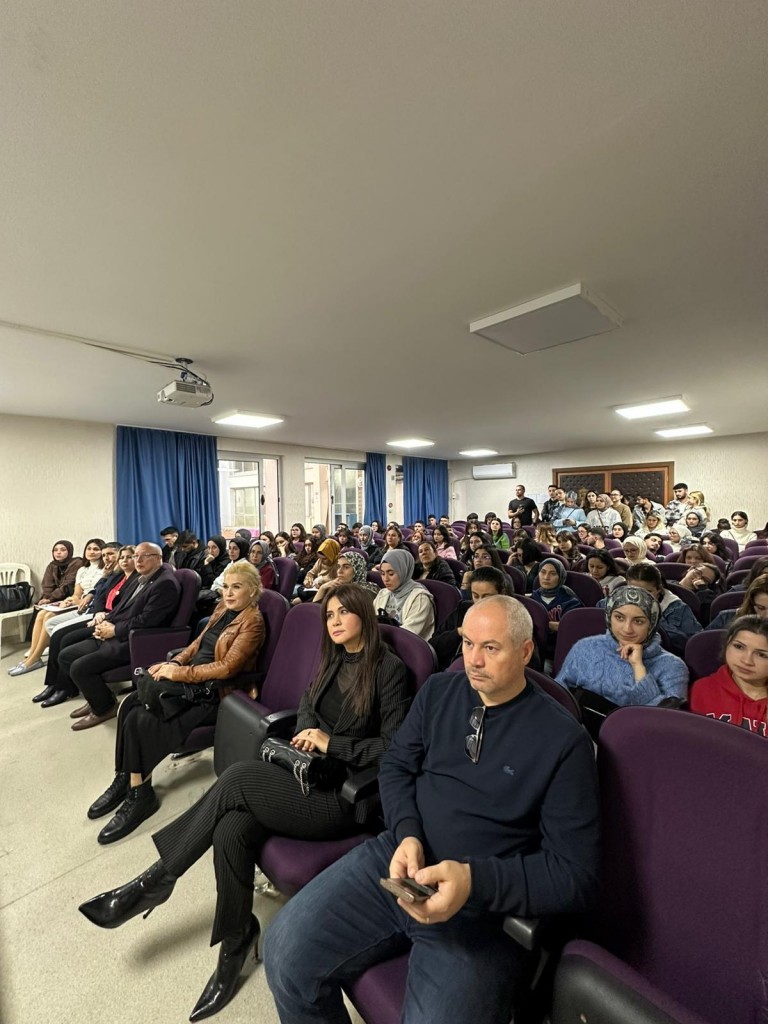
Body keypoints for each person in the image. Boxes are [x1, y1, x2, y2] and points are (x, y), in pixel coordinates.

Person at [78, 584, 412, 1021]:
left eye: (342, 613)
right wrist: (306, 735)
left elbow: (393, 749)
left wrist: (332, 745)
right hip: (304, 771)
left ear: (363, 614)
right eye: (328, 614)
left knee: (235, 779)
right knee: (231, 829)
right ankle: (235, 940)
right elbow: (308, 703)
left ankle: (156, 880)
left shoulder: (389, 670)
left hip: (342, 796)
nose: (333, 621)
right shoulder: (333, 656)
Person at [262, 596, 601, 1024]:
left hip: (480, 909)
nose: (473, 660)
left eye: (490, 647)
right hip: (400, 860)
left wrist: (473, 881)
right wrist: (407, 832)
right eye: (467, 643)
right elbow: (396, 766)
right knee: (284, 955)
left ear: (526, 651)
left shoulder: (564, 741)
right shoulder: (440, 690)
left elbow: (574, 875)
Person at [86, 562, 266, 844]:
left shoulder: (253, 622)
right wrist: (175, 662)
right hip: (190, 680)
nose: (228, 593)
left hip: (213, 694)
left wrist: (178, 673)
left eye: (237, 587)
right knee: (130, 704)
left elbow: (227, 668)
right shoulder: (222, 608)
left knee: (142, 718)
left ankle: (140, 794)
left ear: (253, 591)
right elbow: (197, 644)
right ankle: (126, 777)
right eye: (226, 587)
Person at [46, 543, 182, 728]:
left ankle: (105, 708)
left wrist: (114, 630)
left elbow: (148, 620)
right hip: (116, 632)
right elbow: (121, 608)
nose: (138, 560)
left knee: (79, 667)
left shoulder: (165, 583)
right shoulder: (141, 578)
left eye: (144, 556)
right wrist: (105, 622)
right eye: (136, 556)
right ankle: (98, 697)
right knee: (66, 655)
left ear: (158, 558)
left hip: (134, 641)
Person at [32, 546, 137, 707]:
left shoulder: (135, 578)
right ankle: (54, 684)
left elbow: (123, 606)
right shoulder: (116, 575)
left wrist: (103, 615)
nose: (121, 560)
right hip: (99, 614)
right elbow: (100, 594)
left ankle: (64, 687)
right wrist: (99, 609)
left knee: (64, 638)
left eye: (113, 555)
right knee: (59, 636)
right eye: (121, 558)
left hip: (108, 619)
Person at [556, 584, 689, 707]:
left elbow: (667, 721)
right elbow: (558, 697)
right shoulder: (585, 648)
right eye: (619, 618)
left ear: (652, 624)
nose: (627, 629)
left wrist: (639, 668)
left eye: (638, 621)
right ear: (609, 617)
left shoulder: (673, 666)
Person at [9, 538, 105, 677]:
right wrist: (69, 600)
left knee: (48, 616)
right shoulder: (83, 569)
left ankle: (34, 658)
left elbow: (96, 593)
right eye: (89, 549)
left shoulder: (103, 570)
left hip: (91, 606)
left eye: (96, 549)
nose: (91, 552)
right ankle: (33, 654)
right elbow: (77, 593)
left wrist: (71, 600)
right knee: (41, 613)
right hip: (77, 603)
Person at [690, 616, 768, 736]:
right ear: (727, 644)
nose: (747, 661)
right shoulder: (701, 688)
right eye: (739, 647)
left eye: (761, 655)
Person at [429, 567, 513, 670]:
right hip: (453, 672)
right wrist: (458, 632)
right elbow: (433, 646)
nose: (480, 602)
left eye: (486, 597)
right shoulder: (463, 610)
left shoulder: (512, 618)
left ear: (502, 594)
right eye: (476, 596)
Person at [623, 563, 702, 657]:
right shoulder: (616, 603)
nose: (640, 597)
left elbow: (694, 644)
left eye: (647, 592)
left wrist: (655, 616)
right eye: (633, 591)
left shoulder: (677, 607)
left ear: (659, 590)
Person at [374, 549, 436, 640]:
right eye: (382, 574)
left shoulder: (420, 598)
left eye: (391, 574)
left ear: (403, 571)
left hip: (406, 646)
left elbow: (407, 635)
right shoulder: (383, 593)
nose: (385, 579)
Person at [528, 558, 583, 659]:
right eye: (543, 572)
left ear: (560, 577)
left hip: (557, 653)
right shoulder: (532, 598)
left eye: (553, 574)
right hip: (533, 649)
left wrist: (544, 625)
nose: (546, 577)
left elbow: (572, 628)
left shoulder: (571, 602)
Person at [312, 550, 379, 601]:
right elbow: (313, 610)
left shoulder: (367, 592)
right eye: (338, 566)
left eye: (346, 567)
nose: (339, 571)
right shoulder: (336, 586)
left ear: (357, 570)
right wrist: (322, 588)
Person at [294, 538, 341, 602]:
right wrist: (308, 580)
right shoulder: (320, 561)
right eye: (320, 558)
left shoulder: (339, 563)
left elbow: (340, 581)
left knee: (305, 602)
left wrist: (324, 581)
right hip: (315, 589)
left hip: (329, 593)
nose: (322, 561)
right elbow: (311, 573)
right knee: (296, 601)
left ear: (332, 555)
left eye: (325, 559)